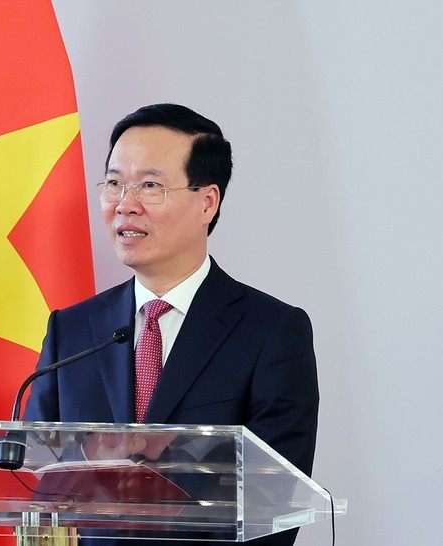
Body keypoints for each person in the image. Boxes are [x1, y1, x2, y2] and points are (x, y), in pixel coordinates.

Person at [23, 103, 319, 545]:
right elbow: (36, 478)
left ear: (207, 202)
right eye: (114, 183)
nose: (125, 204)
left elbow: (269, 508)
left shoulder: (272, 332)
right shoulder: (73, 330)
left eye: (149, 185)